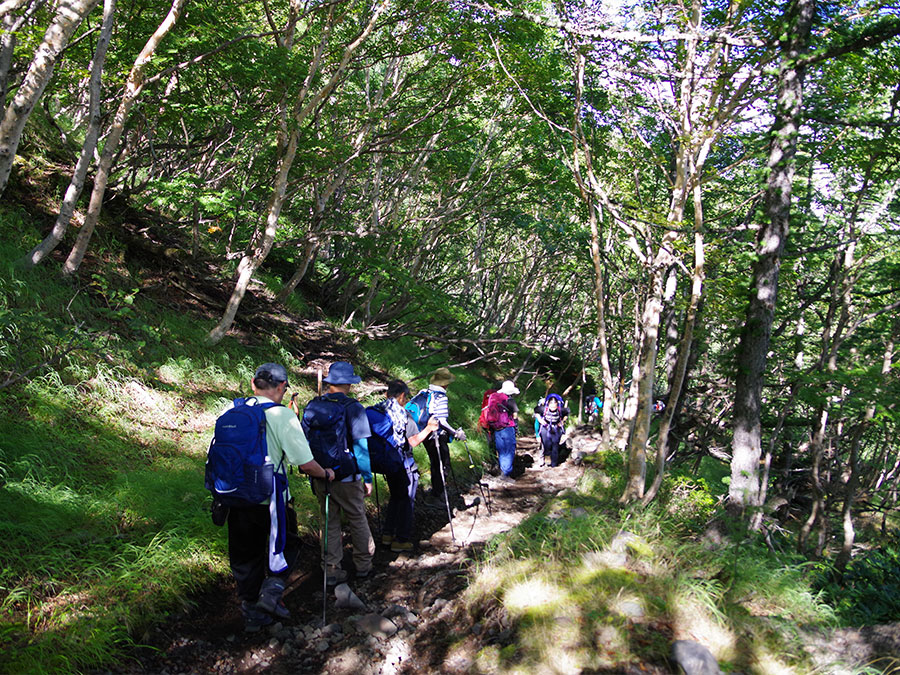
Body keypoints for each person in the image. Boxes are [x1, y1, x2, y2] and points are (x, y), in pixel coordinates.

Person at [225, 363, 334, 632]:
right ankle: (271, 595)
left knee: (244, 555)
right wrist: (326, 474)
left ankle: (251, 611)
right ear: (282, 387)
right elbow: (305, 463)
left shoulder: (231, 409)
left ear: (253, 383)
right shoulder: (282, 415)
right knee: (287, 546)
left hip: (234, 497)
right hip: (271, 499)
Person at [308, 361, 375, 585]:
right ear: (348, 383)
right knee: (357, 518)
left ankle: (331, 569)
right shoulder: (354, 408)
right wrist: (367, 477)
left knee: (328, 522)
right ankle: (363, 565)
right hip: (347, 477)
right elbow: (361, 448)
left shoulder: (315, 405)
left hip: (321, 475)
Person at [376, 380, 439, 552]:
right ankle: (401, 540)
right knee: (406, 501)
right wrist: (429, 429)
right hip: (404, 465)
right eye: (407, 397)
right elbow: (413, 442)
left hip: (387, 463)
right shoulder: (404, 414)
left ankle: (387, 535)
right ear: (402, 395)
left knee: (395, 498)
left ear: (387, 394)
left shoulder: (380, 410)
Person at [421, 367, 467, 501]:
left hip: (425, 434)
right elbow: (442, 421)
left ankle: (436, 491)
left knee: (435, 462)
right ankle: (438, 494)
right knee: (443, 465)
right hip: (437, 435)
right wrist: (456, 433)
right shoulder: (441, 397)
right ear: (445, 383)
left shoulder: (424, 392)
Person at [486, 380, 519, 482]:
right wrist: (516, 428)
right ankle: (506, 474)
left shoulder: (494, 398)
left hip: (496, 428)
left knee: (501, 450)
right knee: (509, 450)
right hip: (507, 428)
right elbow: (515, 416)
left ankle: (503, 470)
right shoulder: (510, 401)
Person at [534, 393, 570, 467]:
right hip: (545, 427)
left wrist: (562, 422)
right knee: (546, 444)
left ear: (557, 404)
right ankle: (547, 456)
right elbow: (536, 411)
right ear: (548, 404)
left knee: (555, 445)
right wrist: (540, 420)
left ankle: (554, 464)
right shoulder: (543, 409)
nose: (553, 406)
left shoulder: (561, 410)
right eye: (551, 403)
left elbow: (567, 412)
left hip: (556, 428)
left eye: (555, 404)